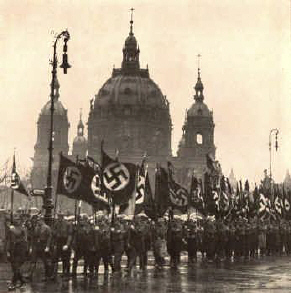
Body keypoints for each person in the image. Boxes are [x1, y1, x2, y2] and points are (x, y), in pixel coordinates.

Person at [6, 214, 28, 290]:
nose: (17, 220)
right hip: (12, 250)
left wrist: (25, 250)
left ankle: (13, 283)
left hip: (20, 250)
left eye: (18, 219)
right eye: (15, 219)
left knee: (16, 267)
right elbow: (9, 240)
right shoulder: (11, 229)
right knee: (14, 267)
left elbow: (25, 240)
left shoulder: (23, 228)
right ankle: (22, 281)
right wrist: (8, 251)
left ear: (20, 220)